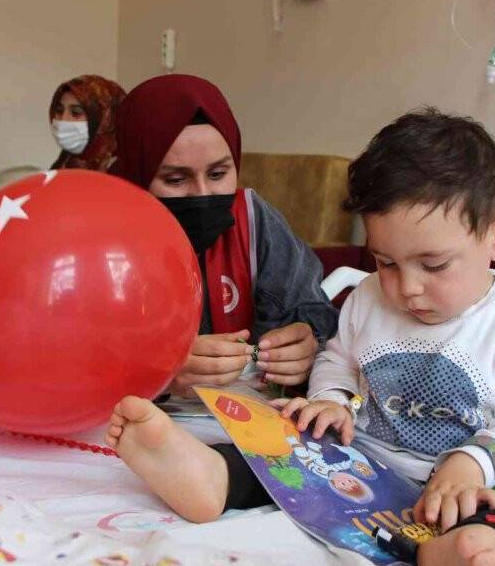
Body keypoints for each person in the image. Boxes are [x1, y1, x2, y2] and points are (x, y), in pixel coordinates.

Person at [105, 108, 495, 566]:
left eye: (433, 264)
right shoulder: (370, 297)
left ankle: (470, 547)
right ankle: (213, 477)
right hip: (361, 463)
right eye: (385, 262)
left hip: (465, 489)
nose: (406, 287)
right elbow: (339, 360)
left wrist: (472, 463)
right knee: (285, 436)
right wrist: (332, 401)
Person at [110, 74, 337, 395]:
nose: (202, 193)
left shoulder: (252, 218)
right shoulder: (103, 234)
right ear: (138, 173)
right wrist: (152, 370)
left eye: (218, 174)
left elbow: (309, 308)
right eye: (175, 179)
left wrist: (308, 341)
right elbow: (70, 351)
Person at [49, 74, 125, 171]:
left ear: (103, 117)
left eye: (76, 112)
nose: (63, 119)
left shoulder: (121, 169)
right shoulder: (65, 161)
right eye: (59, 110)